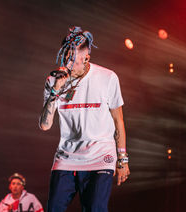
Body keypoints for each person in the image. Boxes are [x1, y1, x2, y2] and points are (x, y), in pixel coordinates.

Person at [39, 26, 130, 212]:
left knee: (95, 208)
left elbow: (118, 121)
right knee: (54, 208)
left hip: (100, 155)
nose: (68, 64)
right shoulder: (53, 80)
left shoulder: (107, 78)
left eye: (73, 59)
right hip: (67, 156)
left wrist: (122, 159)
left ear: (86, 57)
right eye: (65, 58)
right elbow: (44, 125)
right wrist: (55, 91)